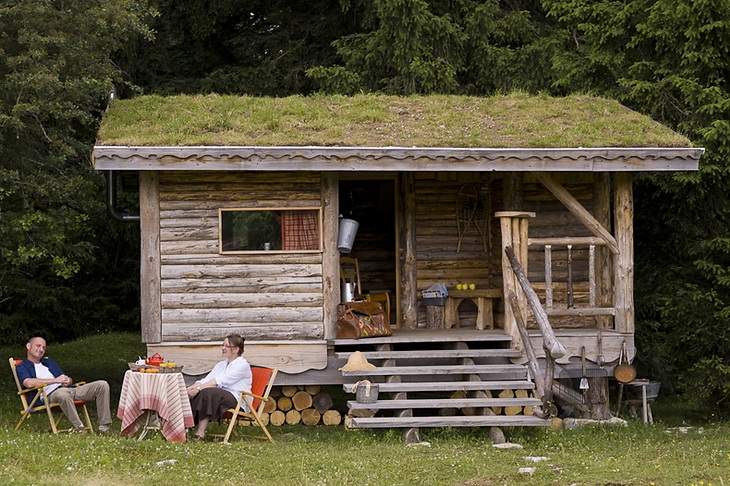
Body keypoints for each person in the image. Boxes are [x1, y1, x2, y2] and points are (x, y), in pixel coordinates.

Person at [16, 335, 112, 434]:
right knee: (62, 393)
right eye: (38, 346)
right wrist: (55, 381)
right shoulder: (23, 366)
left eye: (43, 347)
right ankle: (80, 428)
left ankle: (103, 428)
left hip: (70, 389)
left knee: (102, 385)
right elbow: (29, 383)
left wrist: (68, 380)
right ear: (28, 346)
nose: (41, 349)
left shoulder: (48, 362)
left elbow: (66, 377)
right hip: (48, 395)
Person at [186, 333, 252, 441]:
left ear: (235, 350)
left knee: (208, 393)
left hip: (237, 399)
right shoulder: (222, 364)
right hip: (221, 396)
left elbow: (220, 381)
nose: (223, 348)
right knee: (204, 392)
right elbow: (205, 380)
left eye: (226, 346)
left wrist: (198, 389)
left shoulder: (242, 365)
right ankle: (184, 429)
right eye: (222, 345)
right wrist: (190, 389)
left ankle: (200, 433)